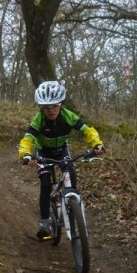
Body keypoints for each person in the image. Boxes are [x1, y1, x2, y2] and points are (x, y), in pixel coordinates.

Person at [18, 80, 104, 240]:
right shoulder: (38, 120)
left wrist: (97, 144)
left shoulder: (69, 116)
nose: (51, 111)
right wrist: (26, 154)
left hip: (61, 150)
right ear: (40, 107)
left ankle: (73, 209)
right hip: (43, 152)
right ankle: (44, 222)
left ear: (61, 104)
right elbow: (27, 139)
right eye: (46, 107)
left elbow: (88, 131)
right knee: (45, 183)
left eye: (55, 106)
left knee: (70, 171)